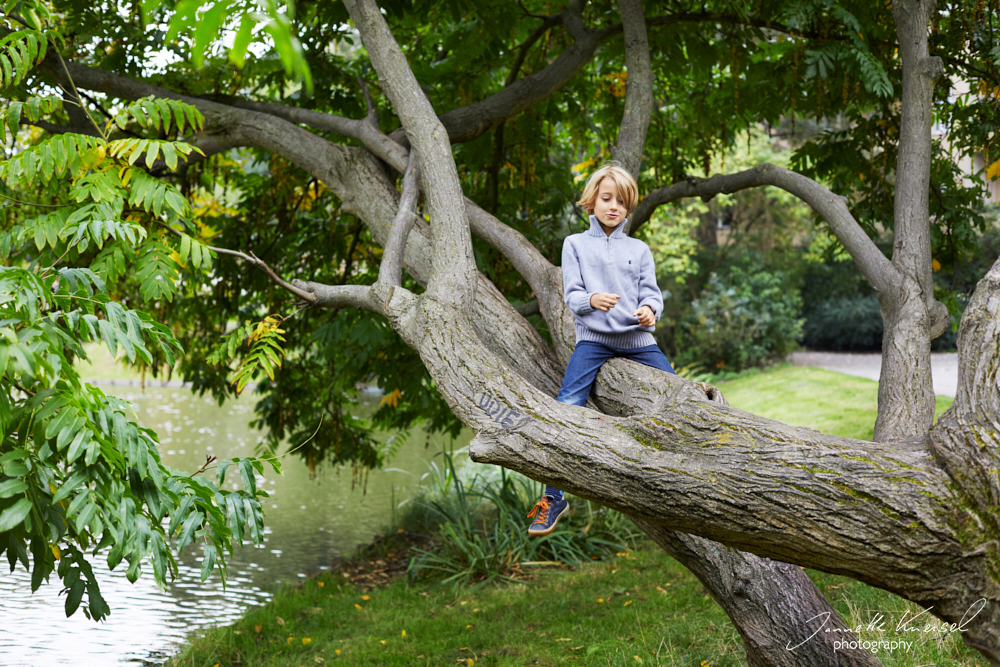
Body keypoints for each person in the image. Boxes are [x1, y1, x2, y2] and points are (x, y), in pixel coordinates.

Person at [526, 162, 676, 537]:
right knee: (566, 406)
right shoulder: (574, 245)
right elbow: (573, 297)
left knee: (679, 393)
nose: (614, 207)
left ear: (628, 208)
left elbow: (652, 296)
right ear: (591, 201)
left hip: (637, 341)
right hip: (593, 341)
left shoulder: (639, 249)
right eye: (606, 198)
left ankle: (682, 471)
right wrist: (593, 299)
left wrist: (647, 311)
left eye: (621, 202)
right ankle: (553, 496)